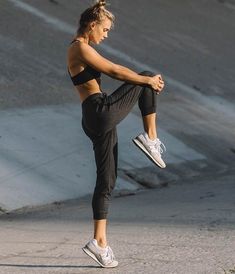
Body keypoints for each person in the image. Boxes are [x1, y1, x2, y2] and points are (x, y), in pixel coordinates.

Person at [67, 0, 166, 268]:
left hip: (95, 117)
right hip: (98, 110)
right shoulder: (79, 48)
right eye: (105, 29)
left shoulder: (83, 48)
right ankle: (151, 138)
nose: (106, 34)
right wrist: (146, 80)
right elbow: (113, 70)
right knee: (144, 76)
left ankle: (99, 242)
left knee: (106, 181)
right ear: (92, 25)